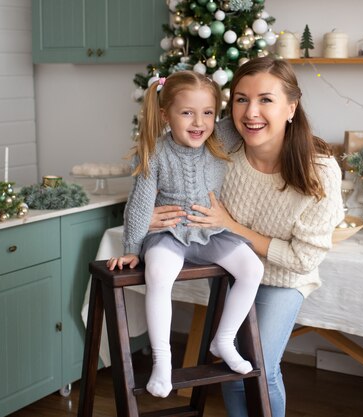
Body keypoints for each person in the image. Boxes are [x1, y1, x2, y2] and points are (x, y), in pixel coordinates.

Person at [150, 57, 344, 417]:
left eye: (265, 100)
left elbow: (303, 259)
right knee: (232, 374)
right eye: (241, 99)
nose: (251, 112)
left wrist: (232, 226)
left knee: (260, 368)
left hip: (283, 278)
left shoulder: (319, 170)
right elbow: (165, 165)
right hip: (229, 271)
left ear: (291, 106)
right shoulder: (221, 144)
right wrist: (148, 217)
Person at [107, 71, 263, 399]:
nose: (198, 123)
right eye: (187, 113)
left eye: (207, 113)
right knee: (159, 273)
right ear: (166, 115)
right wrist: (133, 247)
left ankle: (224, 338)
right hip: (169, 234)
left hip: (210, 231)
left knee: (252, 269)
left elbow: (250, 119)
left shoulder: (221, 138)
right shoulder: (154, 152)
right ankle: (163, 362)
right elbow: (139, 205)